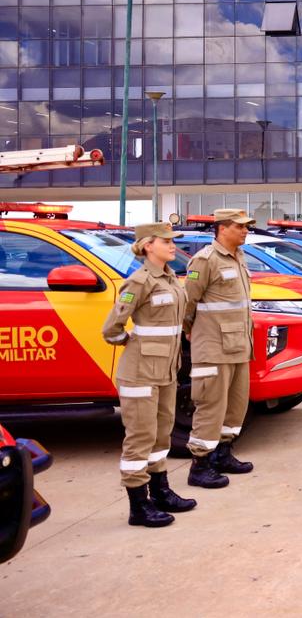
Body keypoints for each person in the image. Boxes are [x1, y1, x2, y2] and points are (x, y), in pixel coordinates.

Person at [101, 222, 198, 527]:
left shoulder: (170, 279)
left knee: (161, 434)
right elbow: (111, 330)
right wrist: (134, 343)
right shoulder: (139, 282)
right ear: (147, 246)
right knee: (140, 437)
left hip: (166, 371)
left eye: (173, 241)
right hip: (140, 372)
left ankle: (161, 491)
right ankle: (138, 505)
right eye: (166, 241)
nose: (172, 245)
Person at [183, 208, 255, 489]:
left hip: (238, 345)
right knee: (211, 407)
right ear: (222, 228)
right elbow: (187, 304)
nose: (245, 231)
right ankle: (200, 465)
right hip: (213, 346)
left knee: (235, 407)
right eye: (240, 226)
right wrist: (191, 331)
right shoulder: (204, 260)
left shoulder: (239, 257)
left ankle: (224, 454)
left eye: (247, 227)